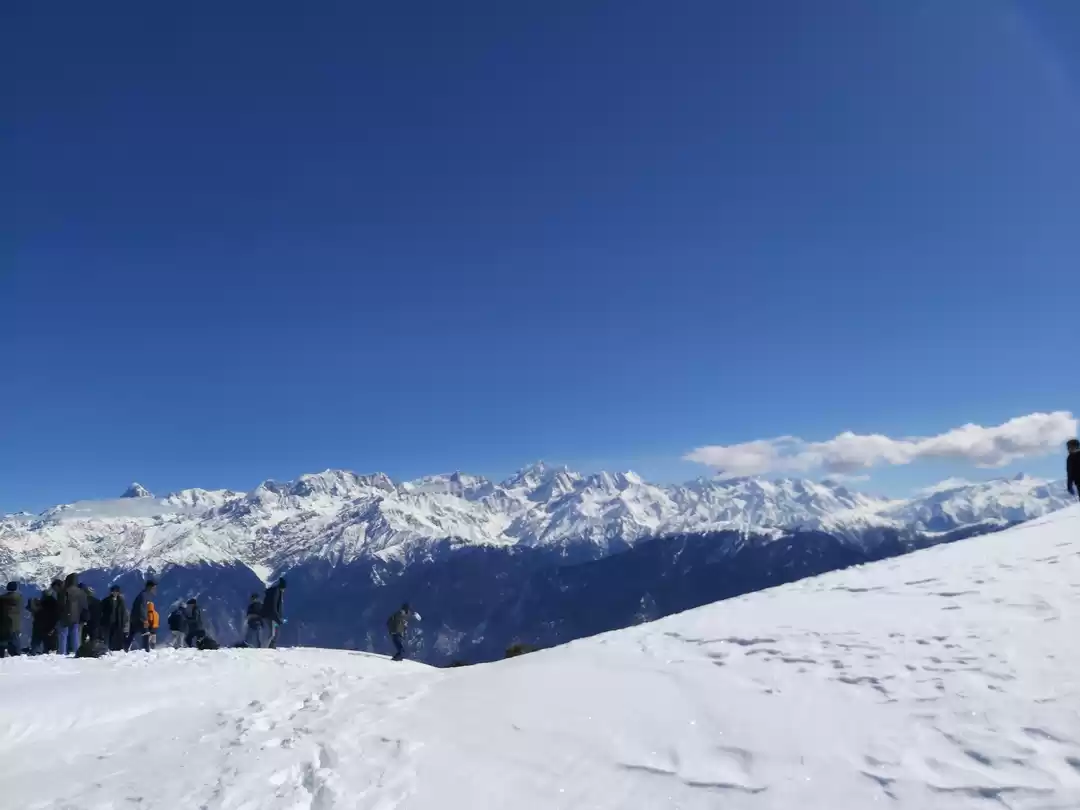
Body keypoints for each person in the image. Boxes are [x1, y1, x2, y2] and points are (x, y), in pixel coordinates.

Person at [56, 573, 87, 656]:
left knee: (63, 634)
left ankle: (62, 652)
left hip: (65, 615)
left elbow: (61, 604)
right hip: (76, 616)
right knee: (75, 634)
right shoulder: (81, 592)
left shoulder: (64, 591)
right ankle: (77, 651)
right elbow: (84, 605)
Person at [128, 579, 157, 652]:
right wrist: (145, 620)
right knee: (146, 633)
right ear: (149, 587)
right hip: (140, 618)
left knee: (132, 634)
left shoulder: (143, 594)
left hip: (134, 617)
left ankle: (124, 648)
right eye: (154, 587)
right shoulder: (144, 595)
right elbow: (142, 608)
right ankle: (146, 651)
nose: (154, 589)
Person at [98, 585, 129, 651]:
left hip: (117, 622)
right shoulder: (106, 600)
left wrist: (124, 622)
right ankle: (106, 649)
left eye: (116, 591)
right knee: (107, 637)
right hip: (107, 622)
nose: (115, 593)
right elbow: (100, 610)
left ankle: (114, 649)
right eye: (113, 591)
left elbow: (123, 612)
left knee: (115, 637)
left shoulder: (121, 601)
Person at [260, 577, 286, 649]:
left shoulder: (275, 592)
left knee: (275, 633)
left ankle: (271, 647)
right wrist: (278, 619)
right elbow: (273, 607)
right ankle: (264, 648)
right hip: (271, 617)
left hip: (272, 617)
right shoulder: (276, 592)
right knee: (271, 634)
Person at [0, 582, 22, 658]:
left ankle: (1, 654)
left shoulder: (2, 598)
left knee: (2, 641)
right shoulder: (19, 597)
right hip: (15, 623)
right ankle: (16, 655)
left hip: (4, 623)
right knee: (15, 640)